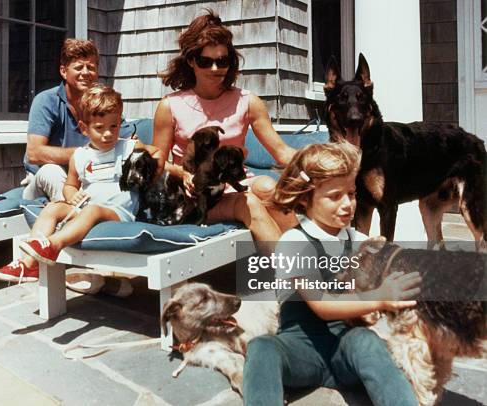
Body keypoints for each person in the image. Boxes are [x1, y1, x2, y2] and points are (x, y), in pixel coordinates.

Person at [242, 142, 421, 406]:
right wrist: (379, 297)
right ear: (305, 198)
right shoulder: (294, 242)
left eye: (352, 193)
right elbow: (322, 305)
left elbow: (392, 264)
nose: (348, 204)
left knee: (367, 341)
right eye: (335, 196)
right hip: (301, 350)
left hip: (343, 349)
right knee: (262, 348)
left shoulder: (356, 239)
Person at [0, 85, 162, 288]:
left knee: (92, 210)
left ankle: (53, 245)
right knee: (53, 207)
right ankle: (28, 264)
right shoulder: (79, 156)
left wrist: (151, 175)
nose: (108, 134)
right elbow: (71, 185)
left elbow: (158, 152)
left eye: (114, 126)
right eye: (99, 128)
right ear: (84, 128)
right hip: (86, 206)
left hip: (117, 211)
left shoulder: (128, 146)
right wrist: (71, 195)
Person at [152, 10, 298, 242]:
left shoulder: (248, 101)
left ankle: (308, 261)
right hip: (197, 195)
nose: (215, 69)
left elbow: (281, 151)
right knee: (247, 202)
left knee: (269, 188)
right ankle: (297, 274)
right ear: (191, 61)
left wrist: (321, 166)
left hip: (235, 183)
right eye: (205, 61)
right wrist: (184, 173)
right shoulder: (170, 106)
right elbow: (157, 164)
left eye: (222, 61)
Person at [21, 38, 100, 202]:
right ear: (64, 71)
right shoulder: (46, 100)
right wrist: (85, 154)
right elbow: (34, 153)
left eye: (91, 67)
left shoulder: (102, 102)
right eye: (79, 67)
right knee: (52, 171)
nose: (85, 72)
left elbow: (127, 137)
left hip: (86, 179)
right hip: (43, 181)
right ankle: (71, 221)